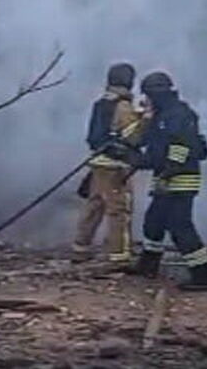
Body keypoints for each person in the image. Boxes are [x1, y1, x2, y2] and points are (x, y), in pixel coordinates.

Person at [126, 71, 207, 291]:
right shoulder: (161, 115)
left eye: (148, 95)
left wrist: (169, 169)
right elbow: (150, 145)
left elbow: (181, 144)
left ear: (157, 93)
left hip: (181, 179)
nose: (146, 100)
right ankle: (148, 265)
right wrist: (132, 154)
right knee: (154, 222)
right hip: (165, 178)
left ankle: (203, 276)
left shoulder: (179, 114)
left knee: (180, 227)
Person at [72, 62, 146, 264]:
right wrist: (146, 119)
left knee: (94, 205)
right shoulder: (123, 106)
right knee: (119, 210)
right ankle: (119, 255)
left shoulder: (102, 102)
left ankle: (80, 247)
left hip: (98, 163)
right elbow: (133, 137)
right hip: (115, 167)